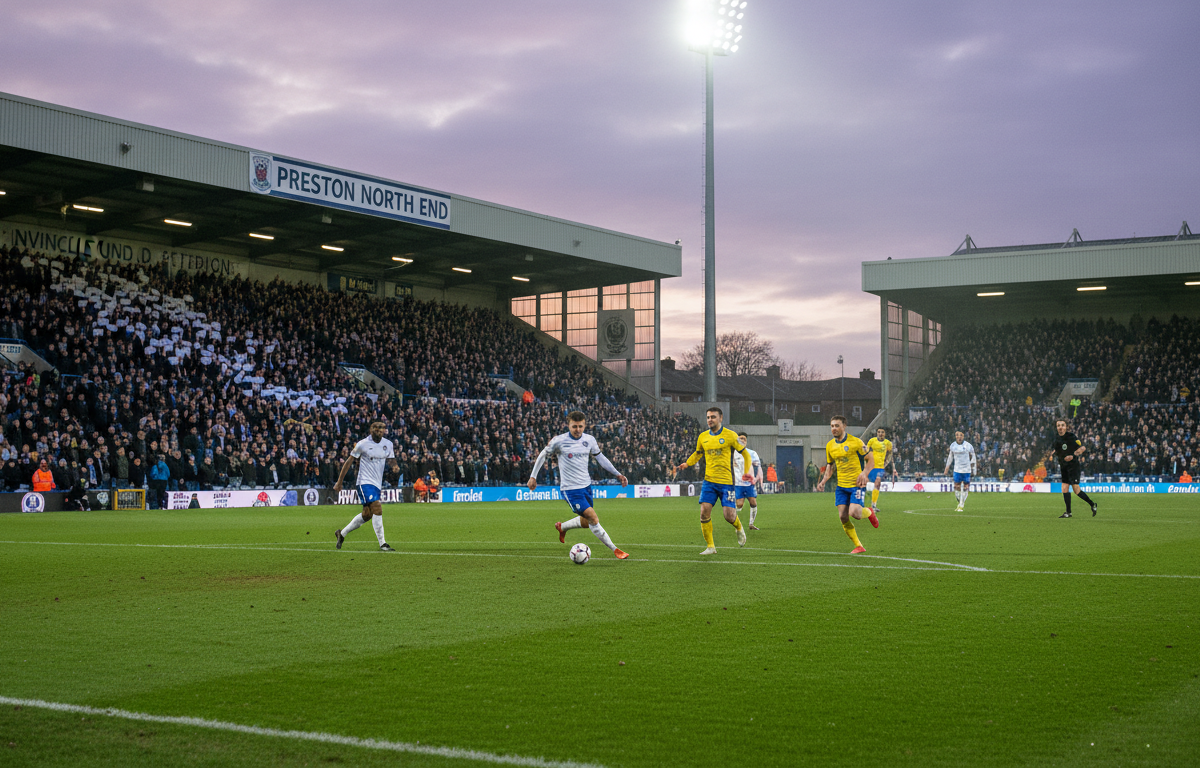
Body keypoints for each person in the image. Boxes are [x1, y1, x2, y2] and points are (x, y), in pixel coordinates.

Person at [528, 410, 629, 559]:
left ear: (585, 425)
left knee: (587, 521)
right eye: (574, 426)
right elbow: (543, 455)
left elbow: (600, 458)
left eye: (580, 426)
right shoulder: (559, 441)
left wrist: (617, 474)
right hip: (570, 489)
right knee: (593, 518)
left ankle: (562, 527)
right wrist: (533, 476)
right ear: (568, 425)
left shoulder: (589, 440)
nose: (578, 430)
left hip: (586, 487)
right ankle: (615, 549)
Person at [674, 407, 753, 555]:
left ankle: (738, 527)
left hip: (726, 482)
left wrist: (747, 471)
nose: (710, 419)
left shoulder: (730, 436)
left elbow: (746, 455)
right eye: (708, 417)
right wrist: (687, 463)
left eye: (713, 417)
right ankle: (711, 546)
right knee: (704, 512)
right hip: (709, 482)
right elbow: (697, 454)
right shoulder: (703, 437)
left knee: (729, 516)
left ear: (721, 418)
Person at [815, 416, 876, 554]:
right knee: (843, 517)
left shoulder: (856, 442)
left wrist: (865, 473)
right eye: (832, 426)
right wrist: (823, 481)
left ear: (844, 426)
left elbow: (871, 459)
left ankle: (869, 512)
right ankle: (859, 546)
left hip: (857, 484)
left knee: (855, 513)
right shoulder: (830, 446)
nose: (834, 429)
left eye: (837, 425)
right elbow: (830, 467)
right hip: (841, 486)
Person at [333, 421, 397, 552]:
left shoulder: (388, 444)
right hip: (364, 482)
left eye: (382, 429)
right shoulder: (362, 444)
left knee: (367, 515)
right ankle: (383, 544)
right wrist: (339, 482)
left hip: (377, 484)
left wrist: (394, 466)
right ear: (371, 430)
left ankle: (342, 533)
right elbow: (348, 462)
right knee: (377, 507)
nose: (380, 431)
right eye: (377, 429)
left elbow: (391, 459)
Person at [1047, 419, 1098, 518]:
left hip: (1073, 466)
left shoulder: (1071, 437)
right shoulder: (1056, 439)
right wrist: (1052, 455)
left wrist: (1073, 455)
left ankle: (1092, 504)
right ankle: (1068, 512)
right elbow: (1056, 451)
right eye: (1058, 425)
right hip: (1063, 467)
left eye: (1062, 425)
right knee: (1064, 488)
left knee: (1076, 490)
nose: (1060, 427)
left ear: (1066, 427)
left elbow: (1082, 448)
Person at [733, 432, 764, 529]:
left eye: (744, 439)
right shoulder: (732, 453)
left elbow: (758, 467)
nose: (742, 440)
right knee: (739, 505)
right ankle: (735, 522)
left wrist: (757, 478)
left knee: (753, 502)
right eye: (740, 438)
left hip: (749, 484)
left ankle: (751, 524)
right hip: (738, 484)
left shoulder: (752, 453)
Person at [866, 427, 897, 513]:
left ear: (885, 434)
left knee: (877, 483)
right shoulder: (872, 441)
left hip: (880, 467)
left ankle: (873, 505)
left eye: (882, 432)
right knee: (862, 484)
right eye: (879, 432)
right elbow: (865, 452)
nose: (880, 434)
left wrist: (889, 465)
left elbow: (891, 455)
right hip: (871, 467)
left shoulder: (888, 443)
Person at [944, 431, 976, 512]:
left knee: (965, 487)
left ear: (963, 436)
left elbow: (973, 457)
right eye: (957, 435)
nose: (959, 437)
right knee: (957, 487)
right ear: (955, 436)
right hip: (957, 469)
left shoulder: (968, 446)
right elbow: (950, 457)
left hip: (966, 470)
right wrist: (947, 467)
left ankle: (961, 505)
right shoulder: (953, 446)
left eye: (961, 435)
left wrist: (974, 468)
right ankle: (960, 502)